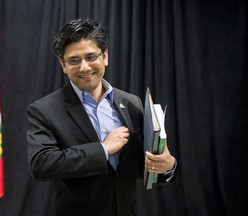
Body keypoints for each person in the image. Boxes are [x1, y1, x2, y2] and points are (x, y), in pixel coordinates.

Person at [27, 18, 177, 216]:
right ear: (62, 63)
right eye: (74, 60)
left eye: (91, 57)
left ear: (105, 56)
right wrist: (103, 149)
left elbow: (141, 167)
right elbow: (41, 164)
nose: (85, 67)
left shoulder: (132, 103)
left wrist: (167, 166)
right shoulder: (44, 109)